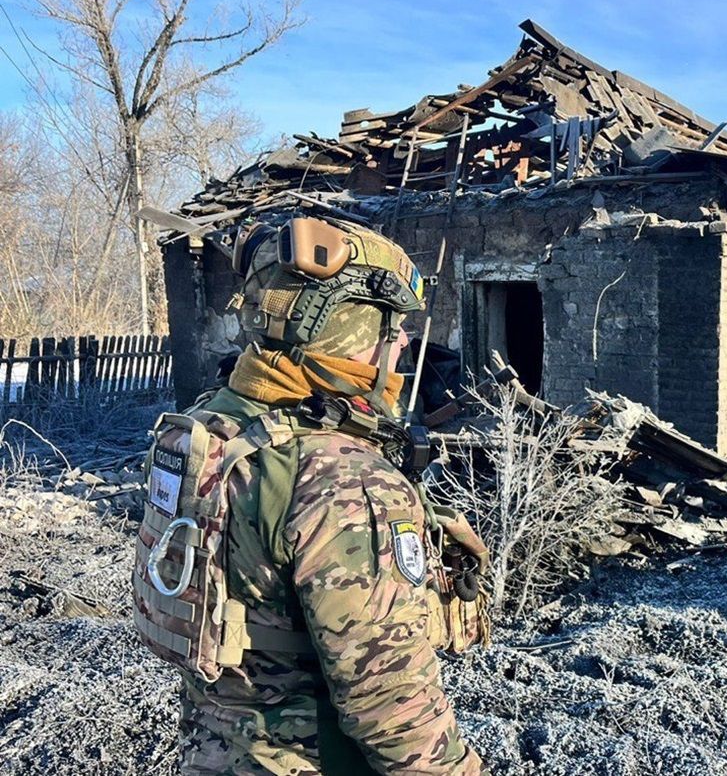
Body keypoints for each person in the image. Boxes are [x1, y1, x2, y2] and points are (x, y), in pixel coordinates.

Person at [132, 215, 489, 775]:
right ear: (344, 325)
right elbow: (392, 707)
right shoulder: (341, 478)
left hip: (213, 748)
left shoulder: (211, 430)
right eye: (389, 325)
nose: (401, 342)